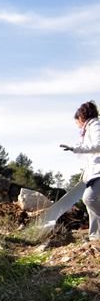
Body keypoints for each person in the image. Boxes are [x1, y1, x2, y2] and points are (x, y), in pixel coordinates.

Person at [60, 101, 100, 241]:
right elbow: (90, 155)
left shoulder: (95, 125)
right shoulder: (88, 129)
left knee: (89, 199)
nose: (77, 125)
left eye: (77, 121)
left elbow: (98, 145)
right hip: (94, 172)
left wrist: (75, 148)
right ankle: (95, 236)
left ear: (81, 117)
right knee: (90, 207)